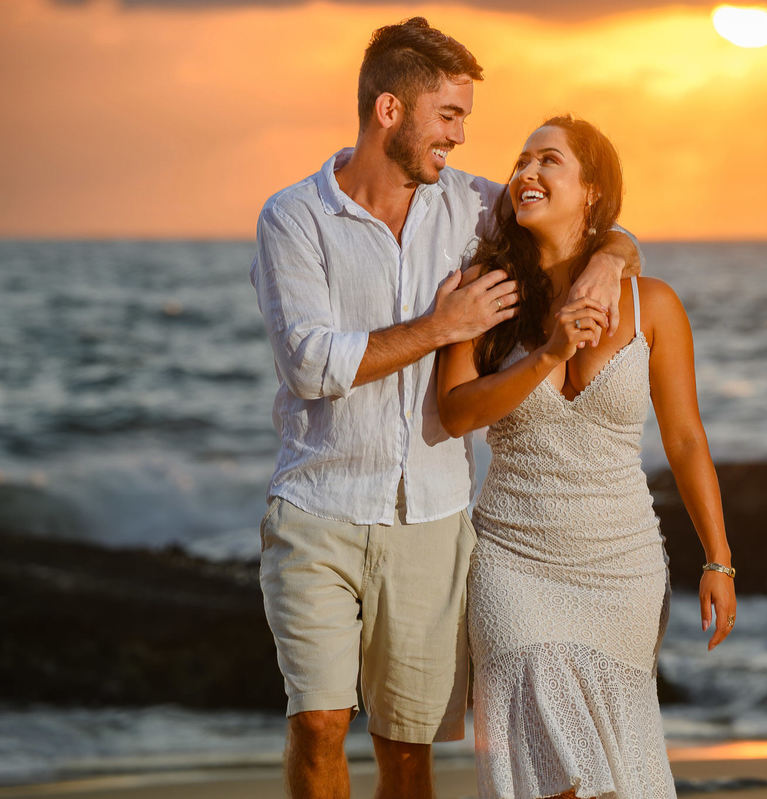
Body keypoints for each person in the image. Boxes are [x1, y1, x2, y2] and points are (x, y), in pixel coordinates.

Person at [250, 20, 640, 799]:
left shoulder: (472, 207)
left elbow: (583, 216)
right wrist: (440, 328)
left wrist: (610, 258)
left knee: (407, 750)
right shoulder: (293, 218)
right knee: (318, 721)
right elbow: (311, 364)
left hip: (431, 519)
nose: (461, 136)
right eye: (449, 116)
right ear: (390, 110)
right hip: (317, 508)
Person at [437, 116, 737, 799]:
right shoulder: (486, 293)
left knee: (612, 774)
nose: (526, 172)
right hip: (513, 560)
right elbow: (456, 413)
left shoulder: (651, 303)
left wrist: (718, 559)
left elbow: (686, 439)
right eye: (521, 161)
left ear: (593, 190)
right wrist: (548, 354)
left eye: (549, 160)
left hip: (621, 568)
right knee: (547, 760)